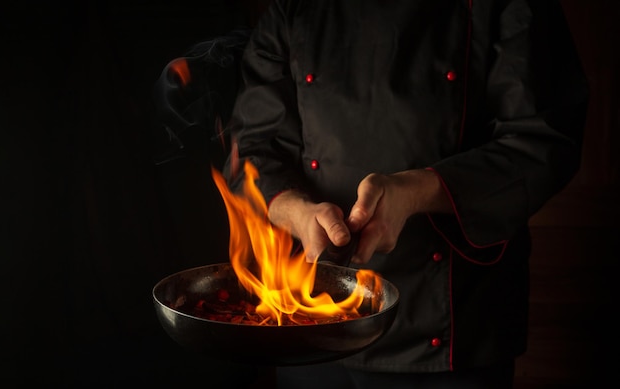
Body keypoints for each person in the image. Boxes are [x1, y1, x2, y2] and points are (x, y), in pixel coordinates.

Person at [220, 0, 588, 388]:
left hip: (454, 326)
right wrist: (296, 211)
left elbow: (544, 141)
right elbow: (253, 145)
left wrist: (414, 192)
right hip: (309, 315)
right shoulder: (294, 8)